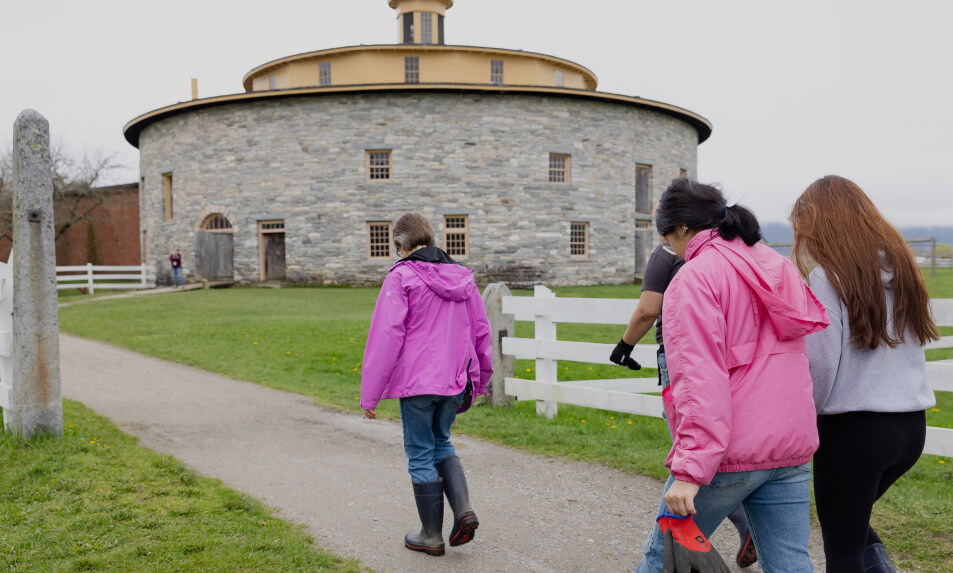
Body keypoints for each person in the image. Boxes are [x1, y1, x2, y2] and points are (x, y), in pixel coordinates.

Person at [634, 178, 829, 573]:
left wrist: (689, 471)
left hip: (730, 453)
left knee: (663, 557)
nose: (670, 247)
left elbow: (698, 380)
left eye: (667, 238)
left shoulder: (694, 277)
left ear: (681, 228)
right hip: (790, 444)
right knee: (791, 561)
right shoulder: (776, 264)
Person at [790, 176, 938, 573]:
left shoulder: (827, 278)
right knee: (850, 524)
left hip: (854, 433)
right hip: (911, 428)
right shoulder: (905, 271)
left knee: (842, 548)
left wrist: (805, 421)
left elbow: (820, 364)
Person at [610, 234, 757, 569]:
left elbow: (648, 309)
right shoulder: (733, 252)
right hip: (731, 351)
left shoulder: (665, 253)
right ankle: (748, 522)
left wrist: (625, 345)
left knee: (690, 449)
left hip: (680, 352)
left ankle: (726, 527)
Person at [360, 212, 494, 557]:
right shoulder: (463, 277)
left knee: (420, 451)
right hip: (453, 380)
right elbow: (481, 331)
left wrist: (370, 396)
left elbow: (386, 337)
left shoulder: (401, 276)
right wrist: (480, 380)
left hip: (417, 384)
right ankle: (464, 511)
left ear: (400, 245)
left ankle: (431, 536)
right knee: (442, 442)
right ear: (432, 239)